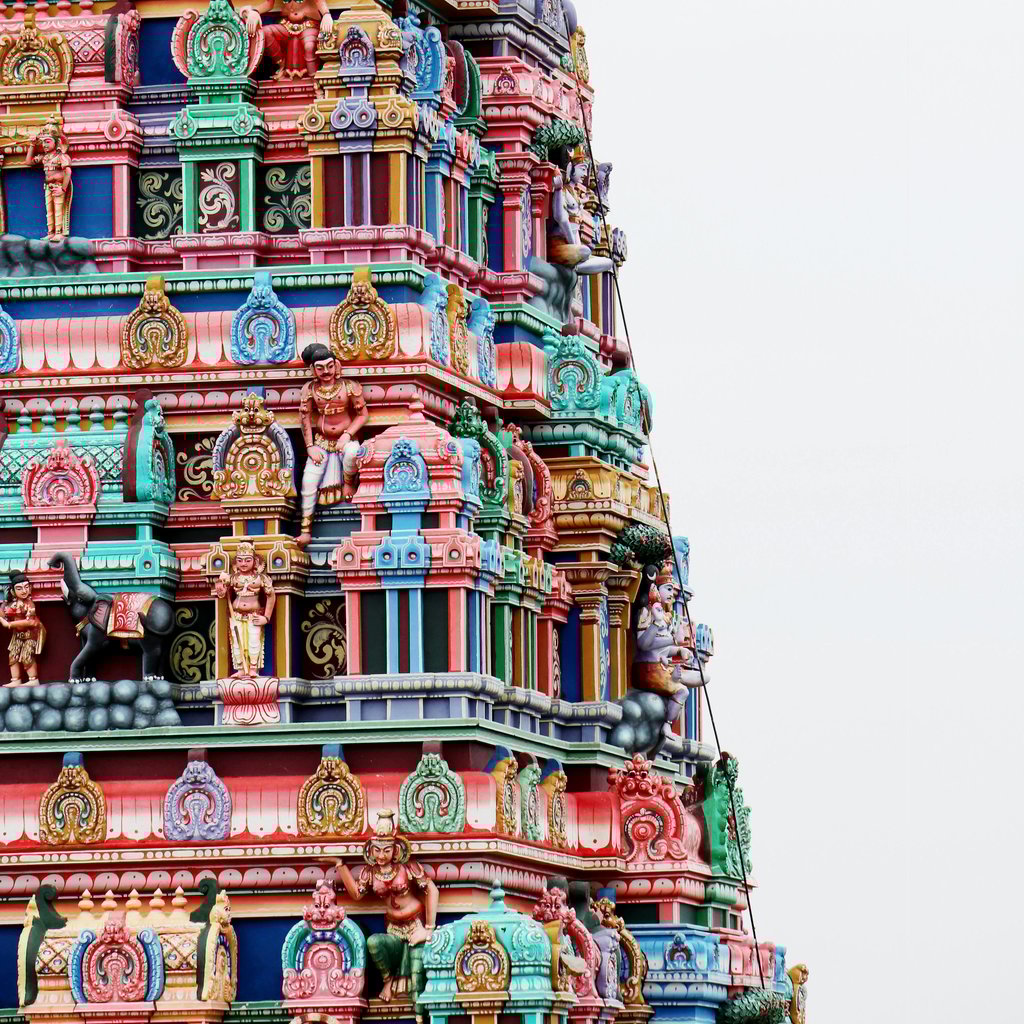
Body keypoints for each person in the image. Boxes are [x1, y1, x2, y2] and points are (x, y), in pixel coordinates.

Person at [333, 810, 438, 1005]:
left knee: (417, 978)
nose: (381, 855)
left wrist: (428, 930)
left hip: (416, 924)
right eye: (377, 850)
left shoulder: (408, 867)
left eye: (386, 850)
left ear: (396, 849)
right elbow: (357, 894)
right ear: (370, 849)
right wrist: (341, 865)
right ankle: (388, 981)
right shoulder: (370, 872)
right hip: (393, 929)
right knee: (373, 943)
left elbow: (431, 890)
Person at [297, 342, 367, 547]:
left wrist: (347, 434)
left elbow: (362, 415)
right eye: (320, 368)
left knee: (353, 452)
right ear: (313, 370)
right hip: (321, 442)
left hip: (345, 440)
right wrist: (309, 447)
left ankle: (348, 483)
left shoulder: (349, 387)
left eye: (329, 366)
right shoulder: (310, 390)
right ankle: (305, 530)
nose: (326, 372)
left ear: (336, 366)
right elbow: (305, 419)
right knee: (308, 482)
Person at [212, 542, 276, 678]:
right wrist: (220, 585)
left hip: (255, 615)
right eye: (240, 560)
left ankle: (253, 668)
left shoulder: (261, 578)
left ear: (255, 561)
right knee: (237, 641)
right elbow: (222, 594)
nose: (243, 563)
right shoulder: (234, 578)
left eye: (248, 560)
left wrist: (266, 617)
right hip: (236, 615)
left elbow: (271, 596)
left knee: (254, 641)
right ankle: (241, 668)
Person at [243, 0, 333, 79]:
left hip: (309, 24)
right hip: (287, 25)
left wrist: (326, 14)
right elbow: (269, 3)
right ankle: (282, 65)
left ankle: (314, 80)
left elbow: (319, 1)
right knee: (266, 32)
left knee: (309, 46)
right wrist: (254, 12)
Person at [24, 117, 72, 241]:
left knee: (58, 209)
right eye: (43, 142)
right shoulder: (44, 157)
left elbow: (67, 171)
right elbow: (28, 162)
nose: (45, 145)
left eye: (48, 141)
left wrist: (63, 188)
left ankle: (59, 232)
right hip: (48, 186)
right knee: (49, 210)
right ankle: (51, 232)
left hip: (58, 186)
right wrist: (32, 145)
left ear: (56, 143)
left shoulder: (61, 156)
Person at [0, 572, 45, 687]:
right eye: (19, 588)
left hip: (30, 634)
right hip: (18, 635)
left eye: (26, 587)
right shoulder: (13, 604)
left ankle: (33, 679)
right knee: (13, 656)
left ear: (30, 588)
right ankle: (16, 679)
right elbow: (3, 615)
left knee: (27, 656)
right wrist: (4, 602)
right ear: (13, 592)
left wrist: (9, 625)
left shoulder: (29, 604)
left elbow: (30, 621)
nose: (24, 591)